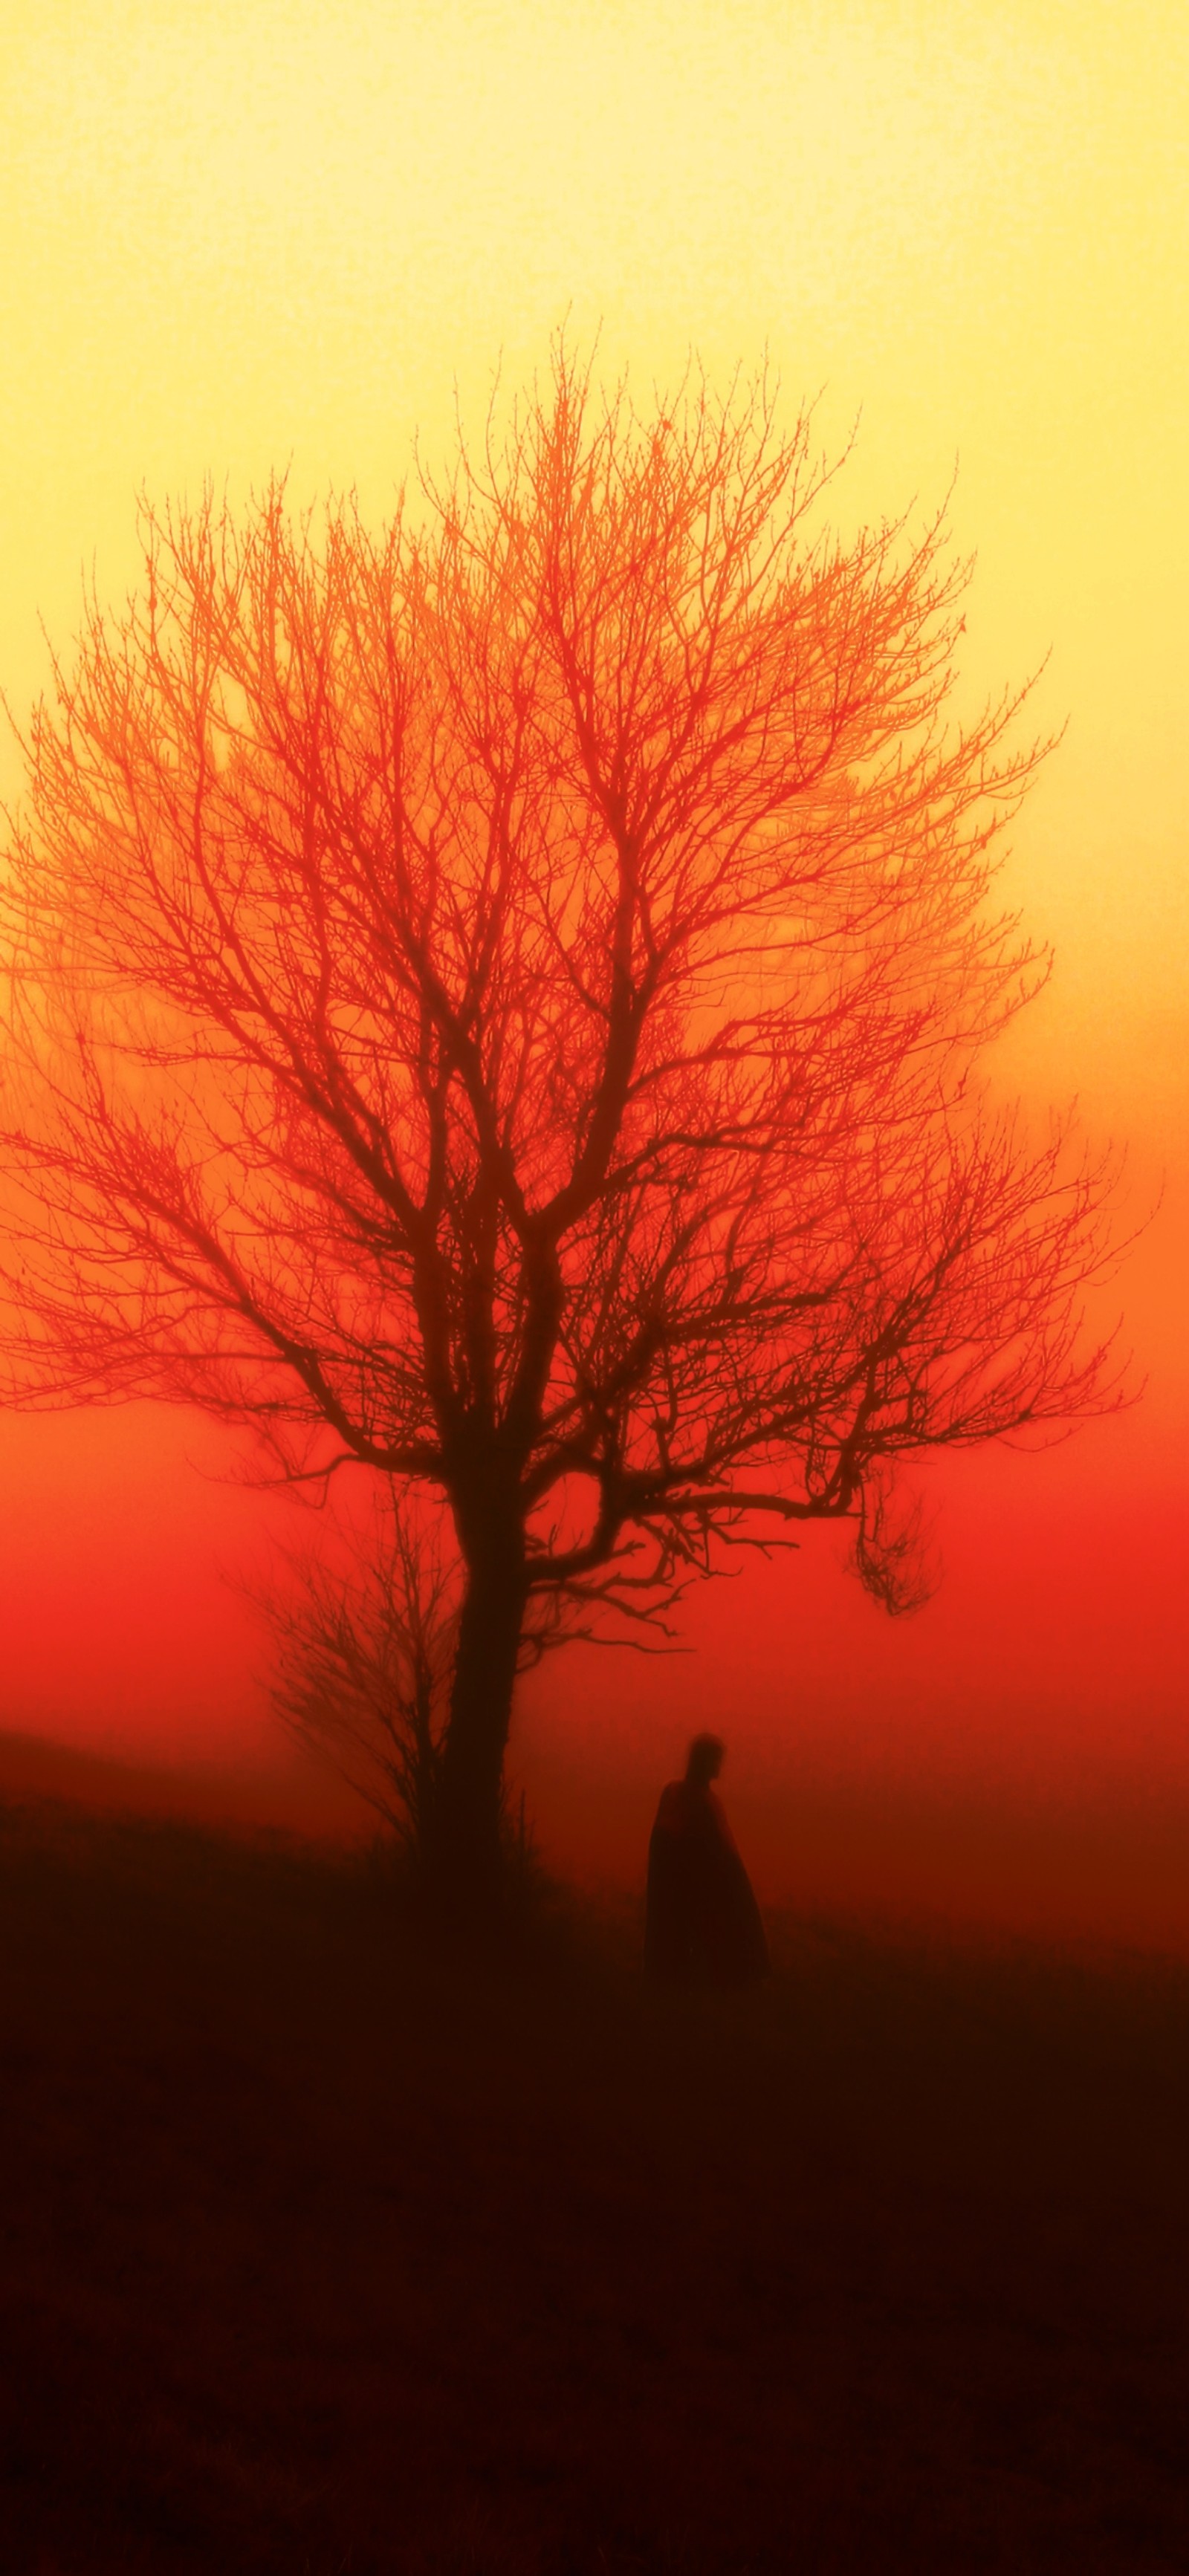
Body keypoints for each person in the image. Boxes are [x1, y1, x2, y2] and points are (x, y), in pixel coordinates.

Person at [644, 1734, 768, 1986]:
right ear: (703, 1761)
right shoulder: (688, 1796)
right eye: (715, 1760)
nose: (719, 1766)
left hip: (687, 1881)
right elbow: (670, 1840)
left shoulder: (685, 1795)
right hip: (689, 1882)